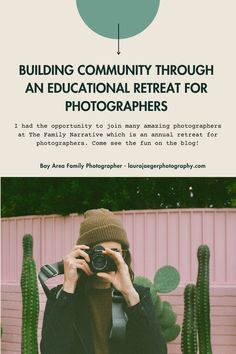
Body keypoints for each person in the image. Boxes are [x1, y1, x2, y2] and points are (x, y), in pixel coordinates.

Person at [40, 209, 167, 354]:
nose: (105, 259)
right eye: (99, 253)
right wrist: (68, 288)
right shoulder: (62, 296)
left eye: (113, 253)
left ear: (123, 256)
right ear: (83, 254)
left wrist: (130, 295)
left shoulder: (138, 295)